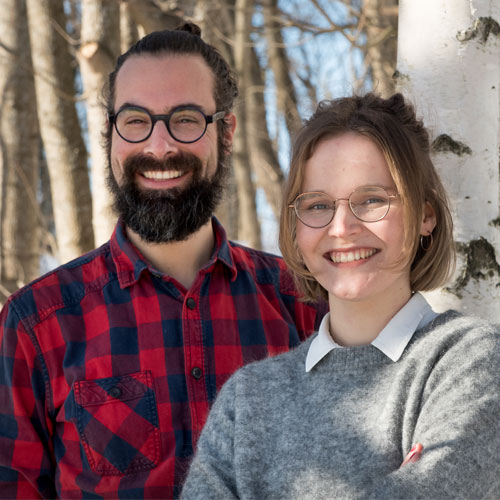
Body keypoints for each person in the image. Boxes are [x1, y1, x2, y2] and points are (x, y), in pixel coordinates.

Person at [0, 23, 326, 499]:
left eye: (186, 119)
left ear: (226, 132)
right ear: (111, 133)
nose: (159, 146)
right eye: (135, 120)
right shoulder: (36, 326)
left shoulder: (304, 305)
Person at [182, 93, 500, 499]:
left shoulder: (470, 364)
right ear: (296, 230)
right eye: (318, 205)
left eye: (372, 200)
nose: (342, 227)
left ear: (425, 215)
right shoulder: (248, 400)